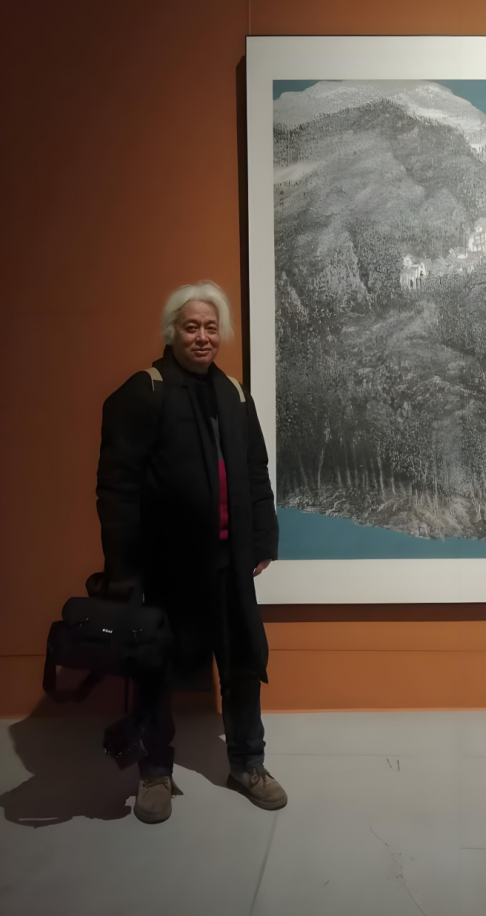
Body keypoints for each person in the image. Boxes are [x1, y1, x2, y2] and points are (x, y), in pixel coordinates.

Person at [96, 280, 287, 824]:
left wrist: (263, 538)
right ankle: (155, 772)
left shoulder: (235, 394)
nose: (202, 337)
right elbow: (116, 487)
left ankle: (248, 764)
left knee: (243, 662)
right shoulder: (144, 391)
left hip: (230, 562)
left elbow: (255, 472)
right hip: (165, 566)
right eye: (190, 327)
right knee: (154, 667)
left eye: (210, 327)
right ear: (171, 332)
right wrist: (123, 566)